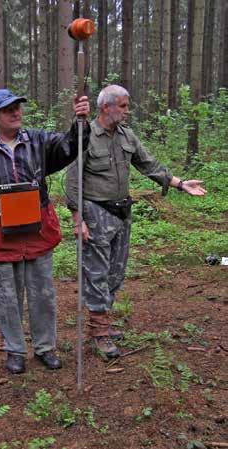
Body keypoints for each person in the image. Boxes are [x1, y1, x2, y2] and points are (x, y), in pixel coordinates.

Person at [65, 84, 206, 358]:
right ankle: (99, 333)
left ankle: (103, 322)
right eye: (124, 106)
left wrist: (179, 184)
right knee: (96, 274)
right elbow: (72, 182)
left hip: (122, 214)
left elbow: (148, 165)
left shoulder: (126, 136)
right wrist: (77, 219)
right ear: (107, 107)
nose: (128, 112)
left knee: (115, 273)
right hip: (95, 213)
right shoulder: (85, 137)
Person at [0, 88, 90, 374]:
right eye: (8, 110)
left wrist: (79, 121)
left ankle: (45, 348)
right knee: (8, 297)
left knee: (43, 294)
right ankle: (15, 351)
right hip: (0, 234)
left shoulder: (39, 142)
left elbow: (70, 146)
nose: (16, 113)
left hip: (37, 231)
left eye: (18, 107)